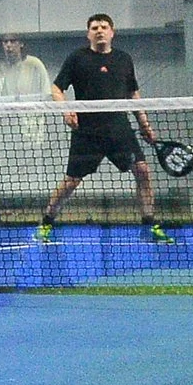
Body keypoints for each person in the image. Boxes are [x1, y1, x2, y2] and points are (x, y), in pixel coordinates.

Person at [35, 13, 173, 244]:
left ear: (112, 32)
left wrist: (144, 124)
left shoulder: (124, 59)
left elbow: (133, 94)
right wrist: (66, 110)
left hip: (119, 129)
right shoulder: (77, 58)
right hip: (87, 132)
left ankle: (150, 224)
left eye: (104, 27)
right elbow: (57, 88)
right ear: (88, 33)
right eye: (94, 27)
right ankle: (46, 222)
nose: (99, 30)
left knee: (142, 171)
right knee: (71, 181)